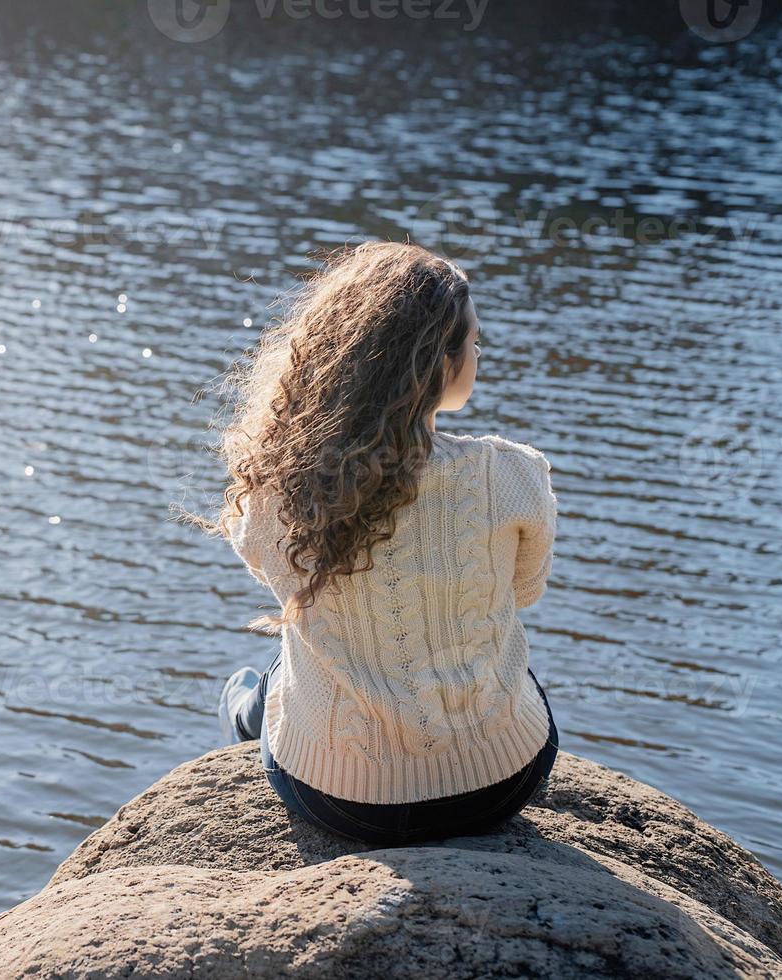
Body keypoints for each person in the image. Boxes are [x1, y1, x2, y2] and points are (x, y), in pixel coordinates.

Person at [210, 241, 559, 846]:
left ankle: (243, 707)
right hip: (499, 784)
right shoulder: (512, 474)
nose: (478, 354)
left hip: (338, 799)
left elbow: (260, 557)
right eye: (472, 342)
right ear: (437, 364)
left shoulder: (284, 486)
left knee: (282, 664)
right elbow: (523, 591)